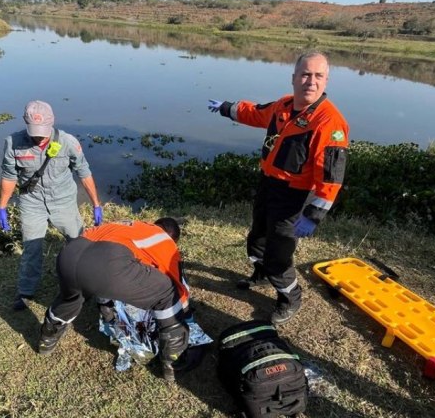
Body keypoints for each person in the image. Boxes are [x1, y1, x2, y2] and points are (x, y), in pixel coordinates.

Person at [208, 51, 349, 325]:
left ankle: (290, 297)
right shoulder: (283, 106)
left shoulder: (329, 122)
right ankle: (260, 275)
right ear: (294, 78)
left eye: (318, 76)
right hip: (269, 184)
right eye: (306, 74)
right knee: (257, 238)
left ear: (326, 80)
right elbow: (255, 113)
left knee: (278, 255)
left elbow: (331, 177)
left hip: (295, 197)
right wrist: (226, 107)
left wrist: (313, 215)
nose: (311, 81)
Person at [37, 218, 195, 382]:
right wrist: (182, 311)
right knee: (167, 293)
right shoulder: (164, 240)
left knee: (70, 299)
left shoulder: (129, 225)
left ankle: (46, 342)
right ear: (173, 238)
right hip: (108, 264)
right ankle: (173, 365)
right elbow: (177, 287)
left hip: (69, 255)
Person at [0, 100, 103, 311]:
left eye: (43, 131)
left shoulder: (68, 142)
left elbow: (84, 172)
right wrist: (2, 207)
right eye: (34, 131)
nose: (39, 137)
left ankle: (85, 285)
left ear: (52, 122)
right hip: (31, 202)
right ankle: (25, 292)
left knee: (78, 244)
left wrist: (96, 204)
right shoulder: (13, 143)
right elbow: (9, 176)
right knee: (31, 249)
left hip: (63, 201)